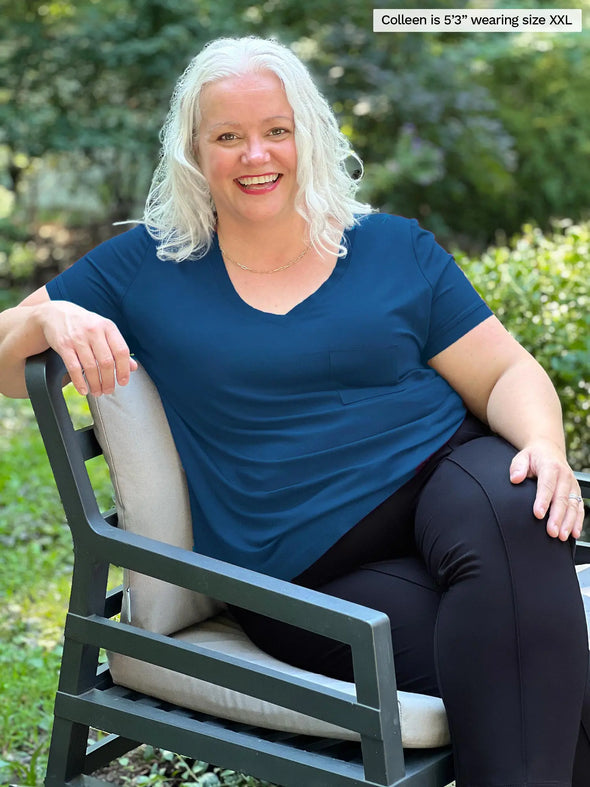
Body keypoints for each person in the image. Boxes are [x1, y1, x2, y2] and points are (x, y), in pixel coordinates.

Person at [0, 35, 588, 786]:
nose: (256, 155)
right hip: (303, 567)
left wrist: (542, 441)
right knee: (531, 655)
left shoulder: (390, 247)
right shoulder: (145, 265)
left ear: (309, 135)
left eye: (276, 130)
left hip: (448, 474)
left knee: (519, 512)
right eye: (228, 136)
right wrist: (48, 320)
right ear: (192, 151)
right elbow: (5, 364)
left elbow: (506, 369)